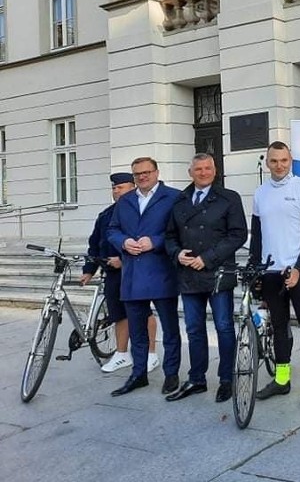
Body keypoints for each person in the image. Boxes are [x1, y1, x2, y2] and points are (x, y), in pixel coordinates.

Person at [164, 154, 248, 403]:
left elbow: (238, 235)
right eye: (198, 169)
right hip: (189, 274)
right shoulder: (179, 201)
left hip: (218, 273)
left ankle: (226, 379)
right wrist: (177, 254)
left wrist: (208, 258)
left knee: (223, 326)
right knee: (194, 328)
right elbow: (169, 236)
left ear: (215, 170)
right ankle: (197, 379)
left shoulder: (229, 198)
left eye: (207, 168)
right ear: (190, 171)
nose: (203, 172)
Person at [250, 141, 300, 406]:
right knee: (279, 327)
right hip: (271, 271)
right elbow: (257, 235)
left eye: (284, 160)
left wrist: (299, 268)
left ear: (290, 160)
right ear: (267, 162)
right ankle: (282, 379)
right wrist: (254, 269)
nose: (279, 166)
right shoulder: (260, 193)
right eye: (274, 161)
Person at [107, 157, 182, 397]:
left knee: (170, 330)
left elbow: (181, 231)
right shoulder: (126, 200)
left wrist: (156, 241)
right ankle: (138, 374)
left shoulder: (173, 197)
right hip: (132, 274)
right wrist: (123, 242)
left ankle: (171, 374)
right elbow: (112, 229)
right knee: (137, 330)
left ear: (157, 172)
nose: (142, 177)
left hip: (161, 271)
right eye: (137, 174)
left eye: (147, 172)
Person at [82, 172, 159, 374]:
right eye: (114, 188)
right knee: (118, 314)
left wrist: (124, 260)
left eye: (121, 187)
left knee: (144, 312)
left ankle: (151, 354)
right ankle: (122, 354)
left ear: (132, 188)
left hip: (138, 272)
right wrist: (89, 270)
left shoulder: (143, 211)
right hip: (112, 273)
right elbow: (95, 244)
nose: (116, 191)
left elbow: (149, 243)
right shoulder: (106, 215)